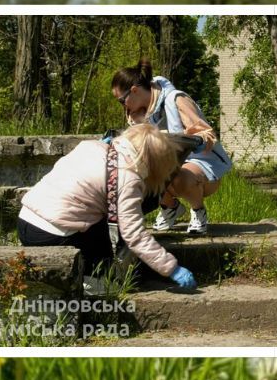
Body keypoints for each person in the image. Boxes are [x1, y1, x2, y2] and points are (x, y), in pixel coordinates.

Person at [16, 124, 198, 290]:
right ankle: (96, 282)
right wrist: (171, 268)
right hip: (52, 236)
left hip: (26, 221)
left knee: (108, 222)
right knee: (118, 245)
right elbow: (134, 235)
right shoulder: (127, 178)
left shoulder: (89, 146)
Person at [111, 59, 231, 235]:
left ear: (134, 90)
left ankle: (198, 211)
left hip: (200, 167)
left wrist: (190, 141)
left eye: (122, 101)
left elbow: (207, 134)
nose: (123, 106)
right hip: (170, 165)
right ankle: (171, 208)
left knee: (179, 176)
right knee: (137, 174)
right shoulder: (139, 113)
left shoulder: (177, 99)